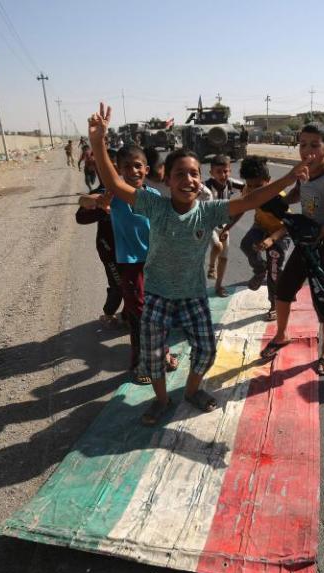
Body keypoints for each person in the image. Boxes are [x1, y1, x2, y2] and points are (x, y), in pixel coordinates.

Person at [87, 102, 311, 425]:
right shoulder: (154, 204)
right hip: (158, 296)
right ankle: (162, 401)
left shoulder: (208, 211)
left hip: (193, 296)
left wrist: (289, 176)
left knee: (205, 351)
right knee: (152, 358)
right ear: (167, 179)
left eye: (194, 173)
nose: (188, 179)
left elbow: (250, 200)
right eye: (180, 174)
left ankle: (192, 391)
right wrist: (98, 141)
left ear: (199, 178)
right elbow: (115, 184)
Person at [260, 122, 324, 376]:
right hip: (306, 242)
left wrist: (322, 232)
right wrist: (283, 200)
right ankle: (282, 335)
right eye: (303, 144)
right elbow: (298, 195)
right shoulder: (304, 171)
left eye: (314, 145)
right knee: (284, 289)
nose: (307, 150)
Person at [81, 144, 178, 382]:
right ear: (119, 171)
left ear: (146, 169)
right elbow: (84, 202)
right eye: (127, 167)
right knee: (140, 317)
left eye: (138, 166)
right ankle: (140, 364)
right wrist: (97, 202)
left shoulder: (154, 196)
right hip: (131, 267)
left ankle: (162, 351)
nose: (133, 171)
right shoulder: (114, 196)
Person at [238, 156, 291, 320]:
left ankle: (274, 303)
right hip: (260, 227)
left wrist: (271, 240)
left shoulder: (278, 198)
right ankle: (260, 270)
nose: (254, 191)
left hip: (280, 232)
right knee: (246, 244)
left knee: (274, 267)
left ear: (268, 181)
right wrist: (226, 227)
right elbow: (241, 206)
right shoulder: (247, 189)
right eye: (250, 186)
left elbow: (289, 224)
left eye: (259, 186)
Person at [75, 170, 122, 330]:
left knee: (136, 284)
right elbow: (80, 217)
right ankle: (108, 313)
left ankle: (130, 315)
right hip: (109, 250)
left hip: (132, 249)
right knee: (118, 285)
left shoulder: (130, 191)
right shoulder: (98, 195)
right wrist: (100, 206)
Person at [204, 154, 245, 297]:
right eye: (219, 172)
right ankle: (211, 267)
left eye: (226, 171)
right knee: (217, 246)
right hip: (209, 225)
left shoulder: (232, 183)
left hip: (224, 225)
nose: (223, 175)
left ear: (230, 171)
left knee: (224, 257)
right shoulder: (205, 186)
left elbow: (248, 187)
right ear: (211, 173)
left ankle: (218, 286)